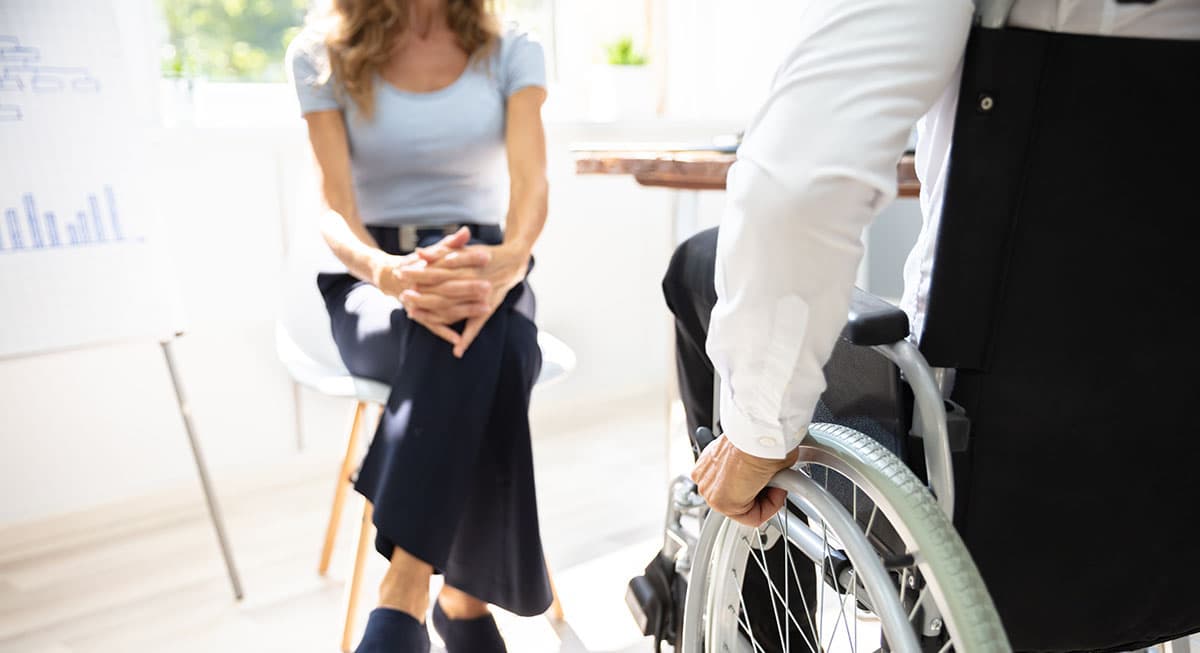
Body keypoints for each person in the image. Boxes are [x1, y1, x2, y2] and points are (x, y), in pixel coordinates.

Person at [669, 0, 1200, 649]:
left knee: (698, 267)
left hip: (993, 491)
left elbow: (798, 191)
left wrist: (758, 429)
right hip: (1171, 500)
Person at [286, 1, 549, 651]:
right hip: (372, 277)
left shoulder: (511, 46)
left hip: (486, 263)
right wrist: (388, 272)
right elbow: (334, 204)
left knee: (483, 326)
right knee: (501, 346)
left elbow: (531, 180)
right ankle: (461, 600)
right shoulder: (322, 51)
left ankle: (403, 588)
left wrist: (508, 263)